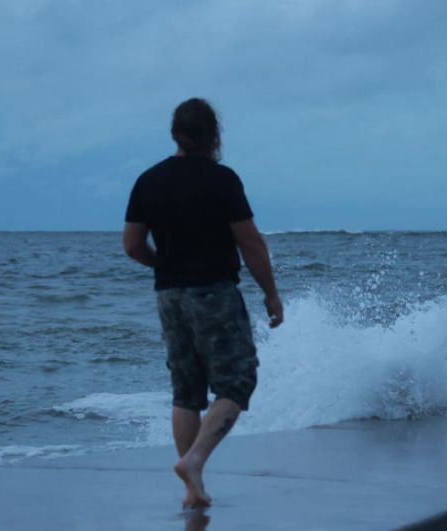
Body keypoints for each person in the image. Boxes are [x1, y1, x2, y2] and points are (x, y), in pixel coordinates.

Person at [122, 97, 283, 509]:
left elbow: (133, 246)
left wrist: (165, 264)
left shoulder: (148, 181)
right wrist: (270, 293)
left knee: (186, 390)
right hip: (213, 291)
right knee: (238, 380)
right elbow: (251, 243)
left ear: (176, 134)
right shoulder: (221, 180)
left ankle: (192, 486)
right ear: (213, 135)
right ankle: (194, 461)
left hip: (168, 295)